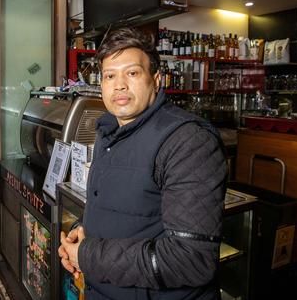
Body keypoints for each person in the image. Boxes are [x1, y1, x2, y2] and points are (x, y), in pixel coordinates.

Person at [58, 27, 226, 300]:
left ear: (157, 80)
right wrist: (83, 231)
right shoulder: (107, 131)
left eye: (132, 73)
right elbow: (118, 207)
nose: (119, 84)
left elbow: (191, 260)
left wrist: (87, 255)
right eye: (110, 76)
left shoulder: (188, 141)